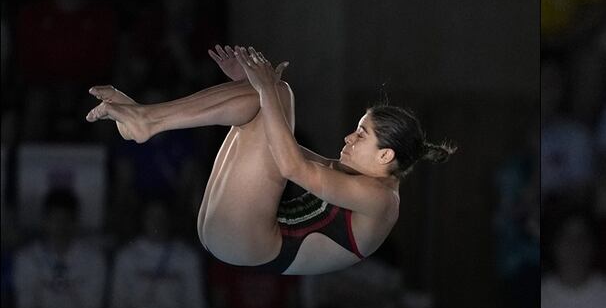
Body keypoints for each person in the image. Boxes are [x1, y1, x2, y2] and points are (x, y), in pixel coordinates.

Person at [86, 45, 454, 275]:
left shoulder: (381, 201)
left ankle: (147, 120)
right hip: (236, 234)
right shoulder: (365, 176)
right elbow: (286, 149)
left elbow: (292, 166)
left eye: (360, 135)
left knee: (275, 93)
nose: (348, 138)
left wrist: (264, 93)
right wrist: (246, 89)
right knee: (271, 96)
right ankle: (144, 116)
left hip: (246, 242)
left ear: (386, 155)